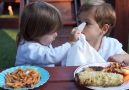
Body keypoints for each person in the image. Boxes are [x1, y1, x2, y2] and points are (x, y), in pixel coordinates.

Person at [15, 1, 80, 67]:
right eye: (52, 32)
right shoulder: (28, 48)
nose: (56, 35)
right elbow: (51, 56)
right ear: (37, 33)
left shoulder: (40, 40)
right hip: (26, 76)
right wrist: (70, 43)